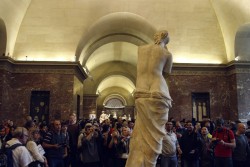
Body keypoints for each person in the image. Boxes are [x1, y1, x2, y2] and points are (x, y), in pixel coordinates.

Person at [126, 30, 173, 167]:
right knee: (154, 139)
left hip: (141, 92)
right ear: (166, 40)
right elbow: (165, 73)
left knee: (139, 136)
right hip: (159, 92)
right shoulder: (167, 53)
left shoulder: (141, 49)